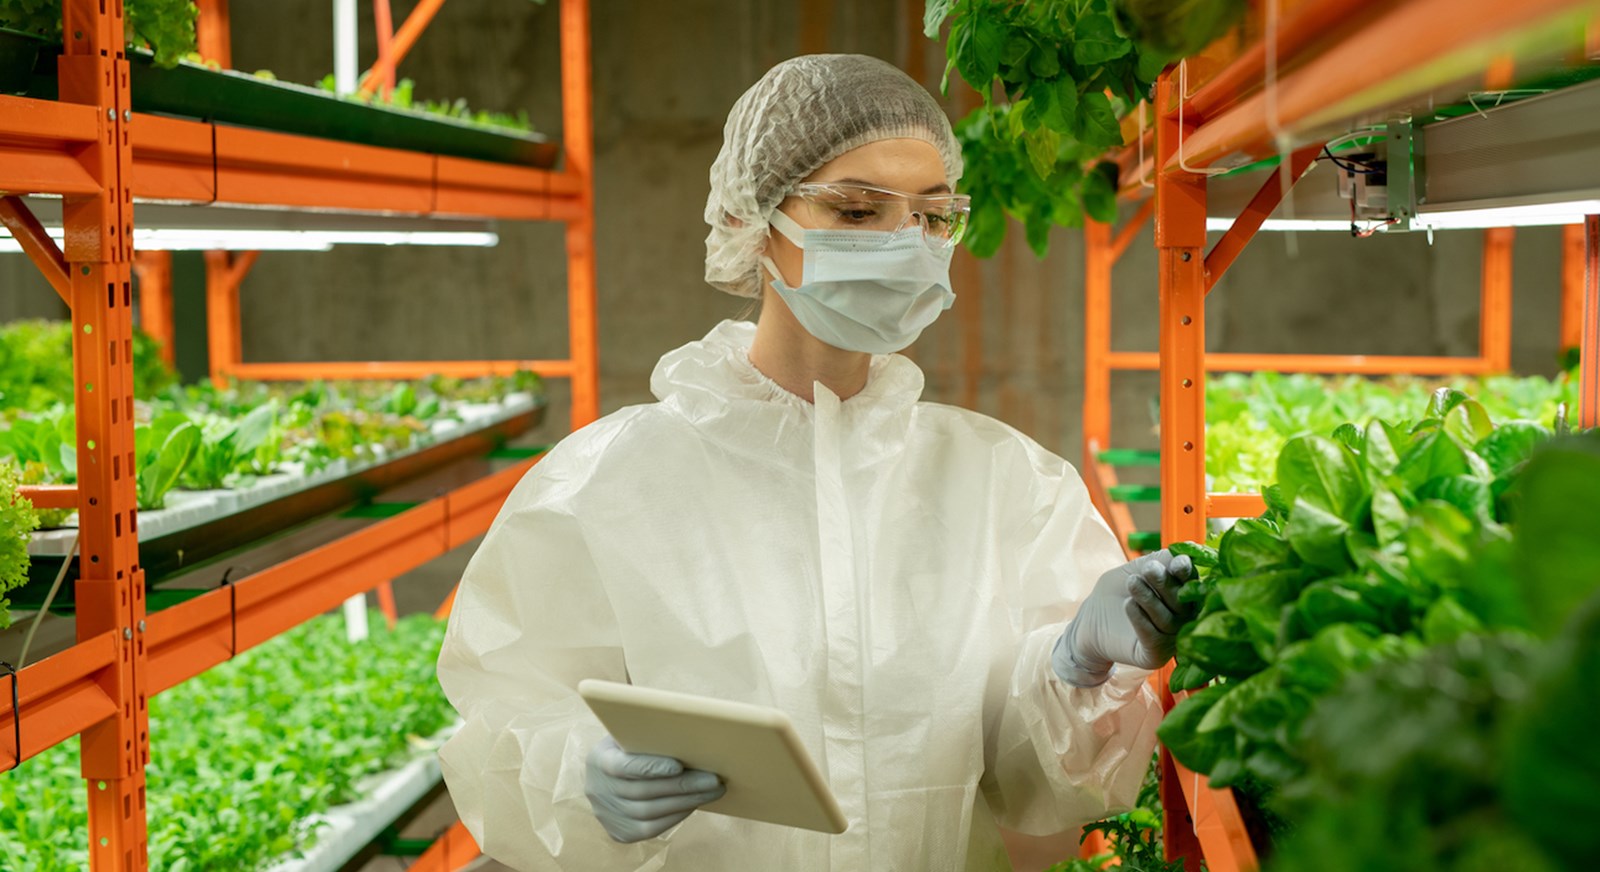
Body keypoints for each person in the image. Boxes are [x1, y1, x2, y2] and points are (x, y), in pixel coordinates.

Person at [437, 53, 1196, 871]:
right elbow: (506, 710)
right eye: (859, 210)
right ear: (754, 222)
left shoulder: (1005, 484)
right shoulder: (603, 485)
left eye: (934, 217)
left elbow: (1034, 784)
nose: (906, 244)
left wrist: (1074, 664)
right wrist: (581, 774)